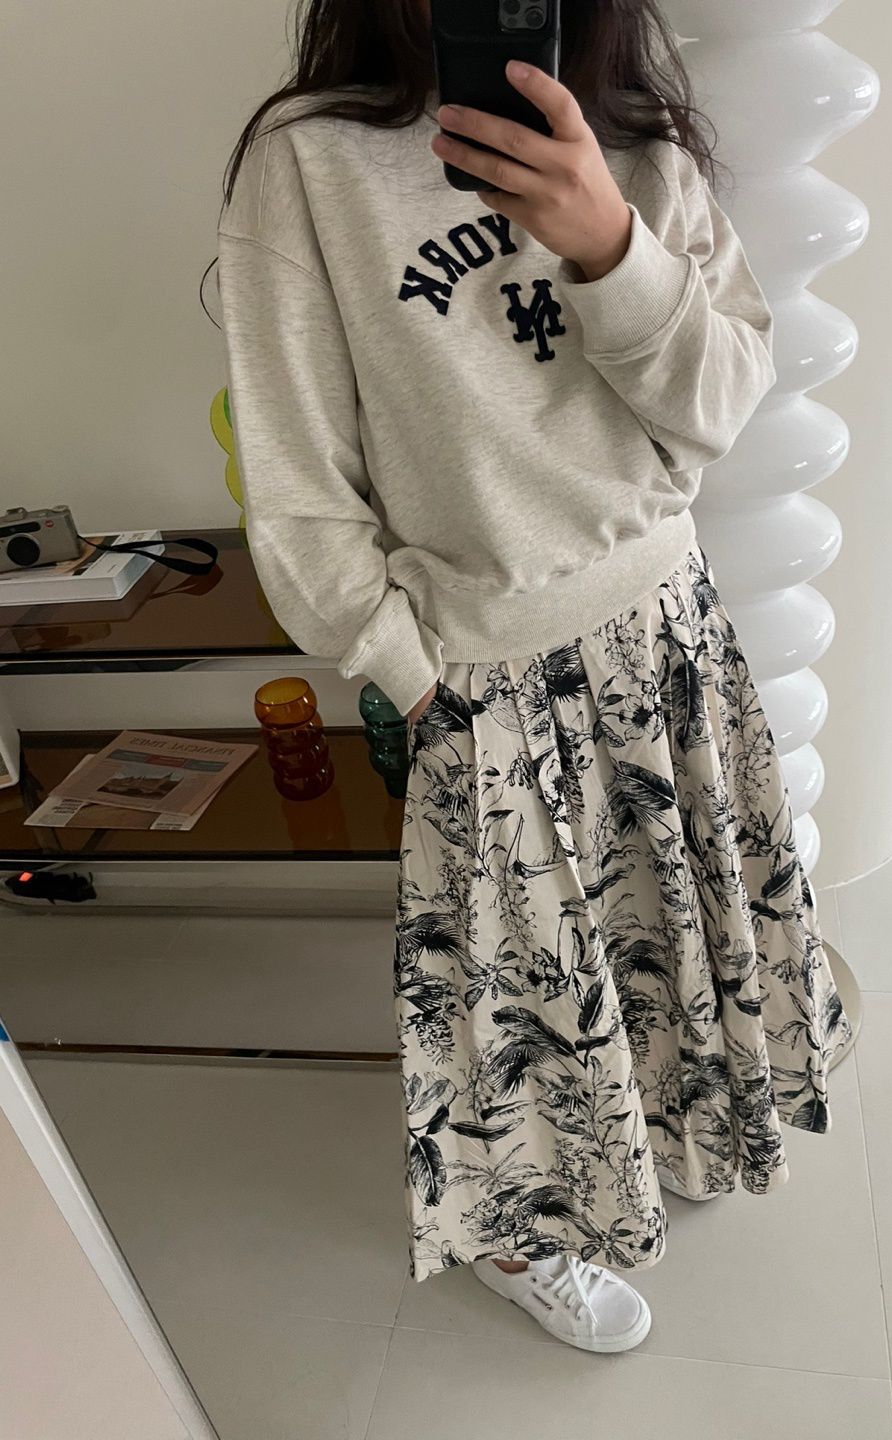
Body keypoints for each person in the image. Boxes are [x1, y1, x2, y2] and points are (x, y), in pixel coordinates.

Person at [215, 0, 852, 1356]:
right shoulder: (309, 164)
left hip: (665, 629)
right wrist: (411, 673)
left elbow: (724, 400)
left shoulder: (632, 127)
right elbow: (297, 483)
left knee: (661, 920)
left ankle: (670, 1120)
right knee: (515, 990)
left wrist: (610, 244)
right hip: (483, 669)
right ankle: (521, 1235)